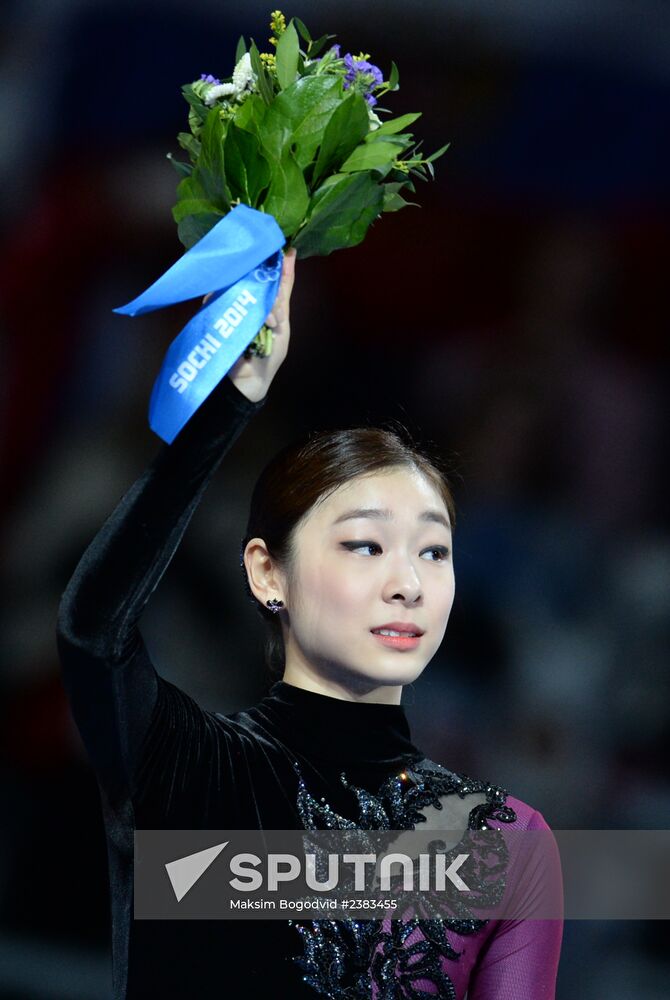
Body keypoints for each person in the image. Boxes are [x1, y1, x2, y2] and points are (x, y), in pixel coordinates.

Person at [56, 249, 563, 999]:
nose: (408, 582)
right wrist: (227, 408)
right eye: (365, 544)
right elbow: (94, 629)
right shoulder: (188, 766)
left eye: (433, 549)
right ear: (267, 573)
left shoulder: (506, 843)